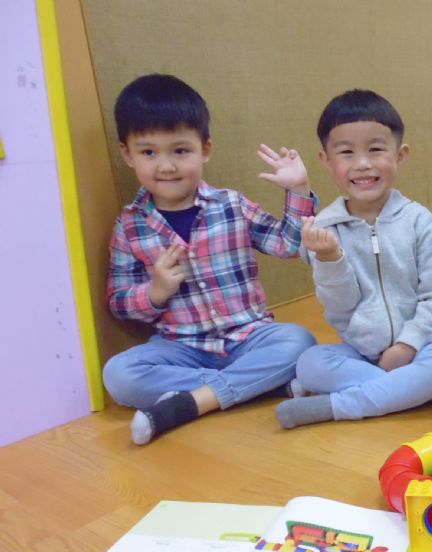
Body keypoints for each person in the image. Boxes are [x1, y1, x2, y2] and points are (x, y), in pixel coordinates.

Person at [102, 74, 317, 445]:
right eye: (149, 152)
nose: (166, 166)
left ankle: (191, 402)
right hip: (182, 348)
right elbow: (118, 301)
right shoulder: (129, 225)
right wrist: (155, 292)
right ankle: (262, 386)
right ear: (127, 154)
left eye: (180, 151)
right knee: (119, 374)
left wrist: (297, 189)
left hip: (250, 337)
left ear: (205, 149)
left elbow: (288, 245)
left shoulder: (231, 205)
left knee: (300, 341)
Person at [275, 90, 432, 428]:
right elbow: (340, 306)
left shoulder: (418, 220)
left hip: (419, 348)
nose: (362, 163)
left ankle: (334, 406)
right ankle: (421, 392)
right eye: (346, 152)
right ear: (326, 160)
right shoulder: (324, 229)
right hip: (359, 352)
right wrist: (330, 258)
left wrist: (407, 346)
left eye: (376, 150)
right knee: (310, 363)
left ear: (400, 155)